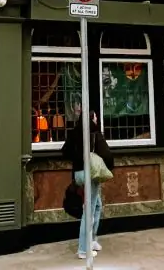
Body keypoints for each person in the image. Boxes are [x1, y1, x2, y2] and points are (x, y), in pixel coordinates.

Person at [62, 110, 114, 260]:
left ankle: (91, 241)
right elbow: (106, 154)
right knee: (89, 211)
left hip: (79, 174)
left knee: (96, 205)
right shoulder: (94, 133)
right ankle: (83, 249)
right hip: (90, 174)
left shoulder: (74, 132)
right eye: (95, 117)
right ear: (92, 119)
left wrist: (78, 158)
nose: (97, 120)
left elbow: (65, 152)